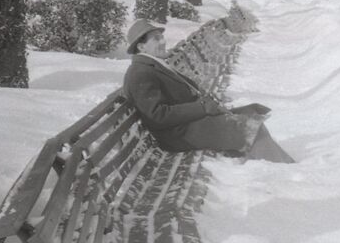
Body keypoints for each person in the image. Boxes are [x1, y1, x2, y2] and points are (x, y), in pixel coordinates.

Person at [122, 19, 294, 162]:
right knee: (250, 127)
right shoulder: (140, 72)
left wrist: (205, 106)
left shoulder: (152, 65)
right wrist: (202, 108)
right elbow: (157, 116)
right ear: (141, 47)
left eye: (162, 37)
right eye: (156, 39)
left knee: (250, 115)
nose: (163, 41)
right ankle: (285, 170)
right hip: (178, 134)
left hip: (187, 125)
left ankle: (270, 164)